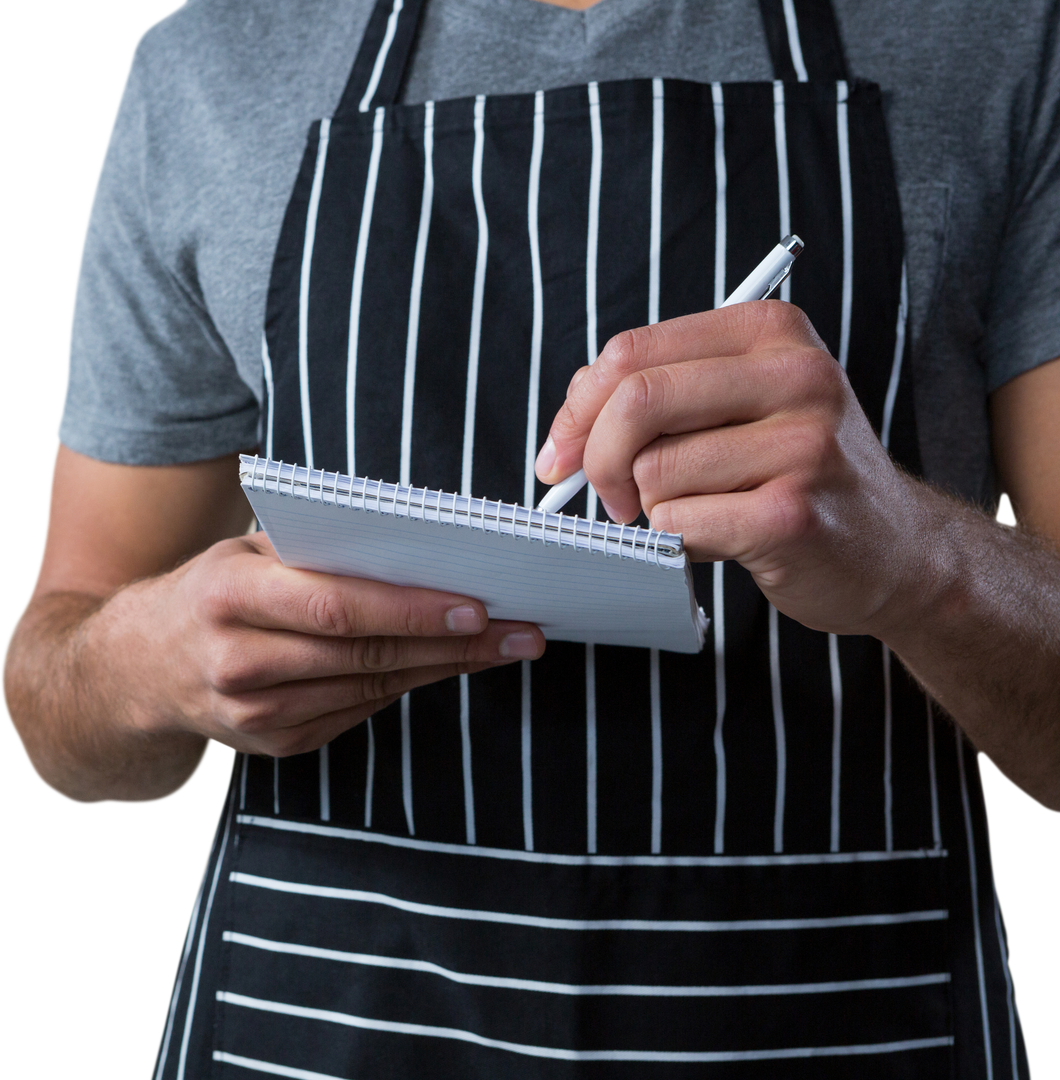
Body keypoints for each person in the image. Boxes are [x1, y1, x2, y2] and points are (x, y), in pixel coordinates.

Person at [2, 0, 1057, 1075]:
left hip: (847, 1019)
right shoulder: (207, 64)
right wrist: (153, 665)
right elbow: (59, 716)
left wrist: (919, 568)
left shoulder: (1000, 39)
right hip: (317, 1025)